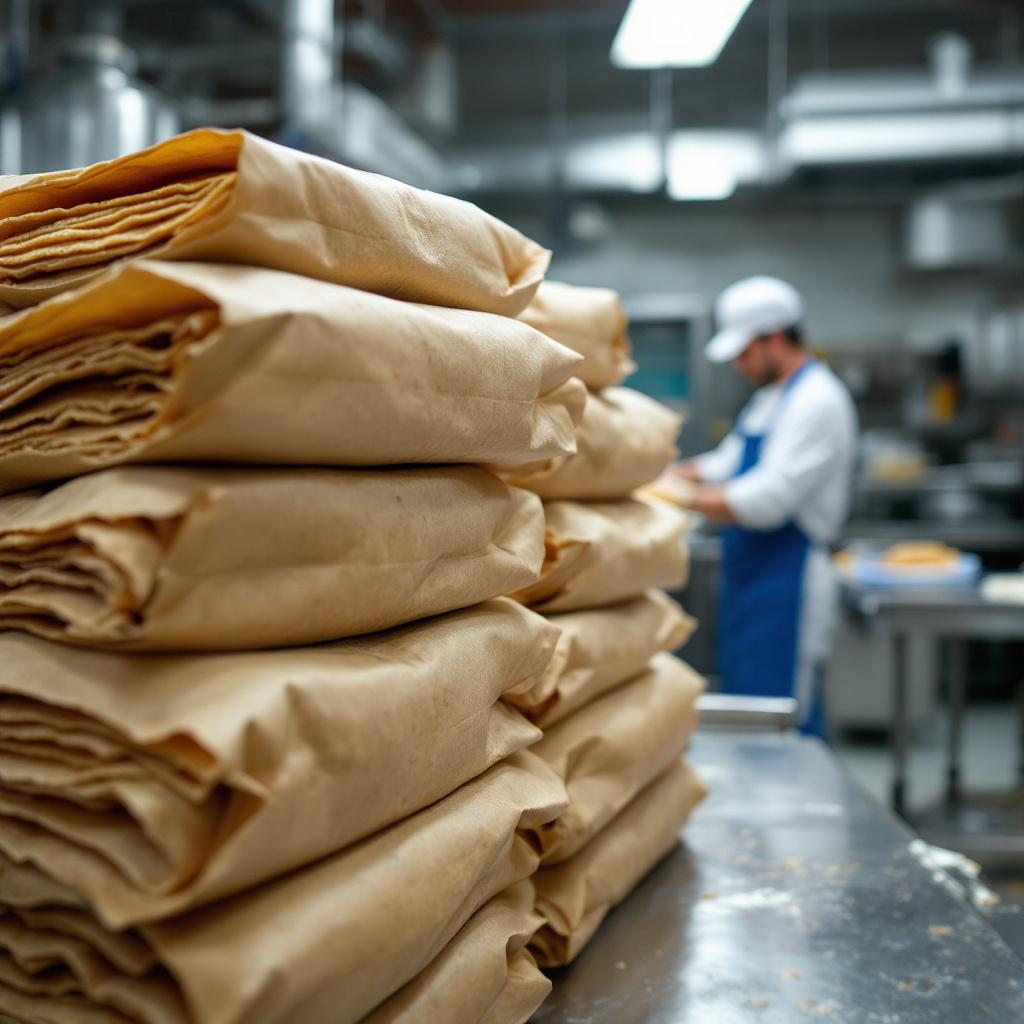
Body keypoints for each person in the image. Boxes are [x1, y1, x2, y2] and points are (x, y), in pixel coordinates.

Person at [667, 276, 858, 738]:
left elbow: (768, 500)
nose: (738, 364)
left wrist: (671, 496)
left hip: (789, 585)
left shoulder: (818, 401)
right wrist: (667, 471)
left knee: (786, 717)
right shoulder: (769, 400)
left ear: (775, 338)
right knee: (749, 710)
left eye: (744, 351)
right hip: (753, 579)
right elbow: (726, 463)